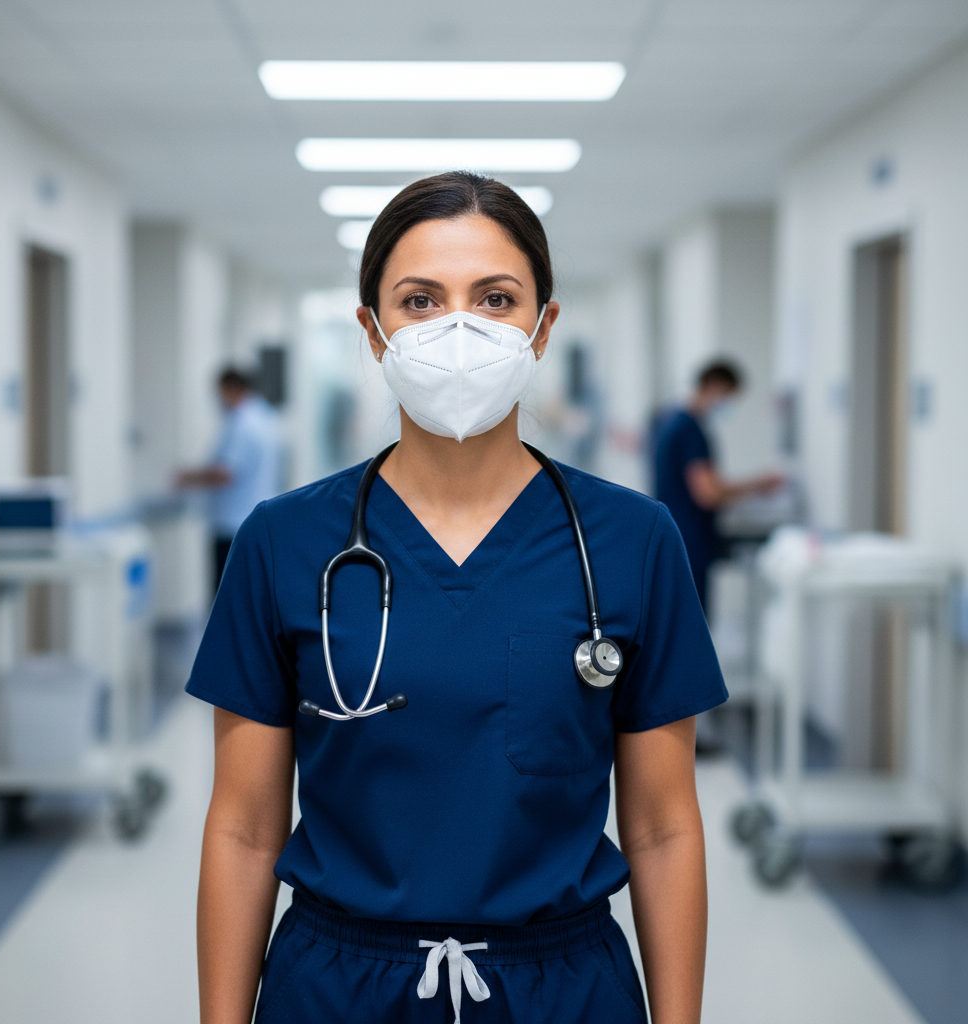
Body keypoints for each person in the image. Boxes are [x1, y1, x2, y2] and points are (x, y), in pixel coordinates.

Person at [187, 173, 727, 1024]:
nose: (460, 329)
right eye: (420, 300)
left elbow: (663, 828)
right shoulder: (283, 541)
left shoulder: (632, 541)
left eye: (497, 298)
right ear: (373, 331)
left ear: (543, 326)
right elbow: (245, 829)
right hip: (335, 988)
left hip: (565, 988)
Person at [652, 361, 783, 610]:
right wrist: (758, 486)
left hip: (675, 537)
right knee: (692, 622)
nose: (727, 404)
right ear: (716, 386)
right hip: (689, 540)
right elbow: (708, 494)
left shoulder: (670, 421)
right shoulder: (689, 429)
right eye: (729, 396)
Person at [177, 368, 281, 597]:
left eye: (220, 393)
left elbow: (225, 473)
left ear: (231, 389)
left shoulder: (242, 423)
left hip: (233, 525)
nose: (219, 400)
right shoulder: (264, 417)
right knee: (246, 594)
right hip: (252, 519)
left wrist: (187, 478)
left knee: (228, 595)